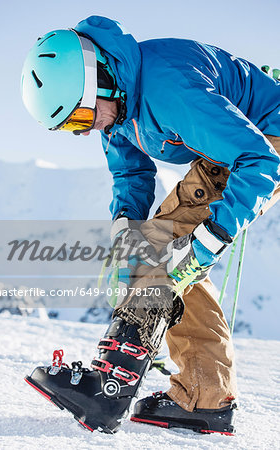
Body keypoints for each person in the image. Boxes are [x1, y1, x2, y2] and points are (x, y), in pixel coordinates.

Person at [21, 16, 280, 435]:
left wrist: (206, 242)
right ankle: (203, 399)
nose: (86, 129)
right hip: (230, 148)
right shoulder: (114, 106)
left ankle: (110, 389)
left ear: (100, 80)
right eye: (72, 126)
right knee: (152, 248)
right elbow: (130, 176)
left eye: (81, 117)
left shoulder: (168, 90)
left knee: (166, 246)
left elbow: (260, 161)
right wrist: (125, 235)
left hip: (264, 142)